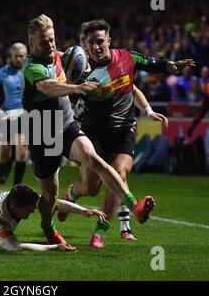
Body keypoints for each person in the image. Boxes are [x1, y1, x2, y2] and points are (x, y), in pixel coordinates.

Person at [58, 19, 194, 247]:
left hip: (123, 132)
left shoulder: (126, 58)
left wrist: (168, 65)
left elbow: (150, 64)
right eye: (91, 43)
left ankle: (100, 231)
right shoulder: (83, 71)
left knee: (118, 175)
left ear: (109, 41)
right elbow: (67, 97)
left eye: (100, 41)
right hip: (94, 134)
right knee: (91, 188)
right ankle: (72, 194)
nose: (95, 47)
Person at [22, 14, 155, 245]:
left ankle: (135, 205)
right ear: (32, 44)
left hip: (65, 125)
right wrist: (76, 87)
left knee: (92, 157)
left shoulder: (59, 56)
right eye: (45, 42)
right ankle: (48, 226)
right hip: (43, 133)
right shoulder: (32, 67)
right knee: (49, 197)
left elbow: (81, 65)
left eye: (53, 39)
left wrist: (87, 70)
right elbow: (48, 87)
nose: (51, 45)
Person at [0, 43, 29, 185]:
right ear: (11, 56)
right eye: (16, 56)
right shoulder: (3, 72)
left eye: (21, 56)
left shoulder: (32, 71)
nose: (19, 59)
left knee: (22, 152)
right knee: (4, 152)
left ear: (26, 56)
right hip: (7, 115)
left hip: (25, 114)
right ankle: (2, 174)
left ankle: (17, 186)